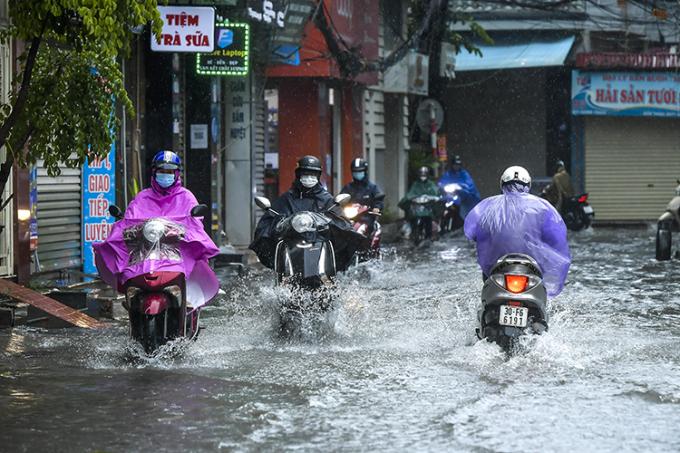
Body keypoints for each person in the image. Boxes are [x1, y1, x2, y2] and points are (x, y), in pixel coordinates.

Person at [94, 150, 219, 304]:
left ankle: (188, 302)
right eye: (161, 171)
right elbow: (129, 222)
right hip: (146, 254)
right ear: (154, 173)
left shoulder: (186, 197)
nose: (165, 175)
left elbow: (195, 225)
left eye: (169, 172)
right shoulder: (143, 197)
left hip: (177, 254)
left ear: (177, 174)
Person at [463, 166, 571, 297]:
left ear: (502, 184)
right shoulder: (543, 206)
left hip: (497, 267)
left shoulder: (488, 205)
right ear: (528, 185)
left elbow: (471, 232)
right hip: (532, 269)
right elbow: (556, 238)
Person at [250, 155, 361, 270]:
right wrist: (281, 224)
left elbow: (340, 220)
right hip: (292, 245)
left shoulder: (326, 199)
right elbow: (272, 217)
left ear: (318, 176)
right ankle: (283, 276)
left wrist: (328, 224)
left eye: (313, 174)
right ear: (299, 175)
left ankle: (330, 275)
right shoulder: (287, 198)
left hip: (319, 244)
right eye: (305, 174)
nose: (309, 177)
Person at [399, 166, 440, 240]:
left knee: (429, 220)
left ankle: (430, 235)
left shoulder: (431, 184)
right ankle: (413, 233)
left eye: (424, 175)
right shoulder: (415, 184)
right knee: (412, 218)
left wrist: (431, 198)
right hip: (417, 209)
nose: (423, 176)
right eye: (421, 174)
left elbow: (435, 193)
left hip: (428, 209)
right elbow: (410, 194)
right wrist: (411, 198)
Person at [341, 158, 384, 227]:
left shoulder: (372, 187)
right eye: (355, 172)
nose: (357, 173)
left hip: (367, 219)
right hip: (349, 219)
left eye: (360, 171)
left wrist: (377, 208)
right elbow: (341, 200)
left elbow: (379, 199)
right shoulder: (348, 188)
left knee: (369, 229)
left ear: (365, 171)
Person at [437, 154, 481, 220]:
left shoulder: (464, 174)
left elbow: (469, 185)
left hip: (464, 198)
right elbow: (441, 183)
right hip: (451, 197)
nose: (456, 166)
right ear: (452, 165)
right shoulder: (448, 174)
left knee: (466, 210)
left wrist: (460, 186)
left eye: (458, 165)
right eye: (455, 165)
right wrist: (442, 186)